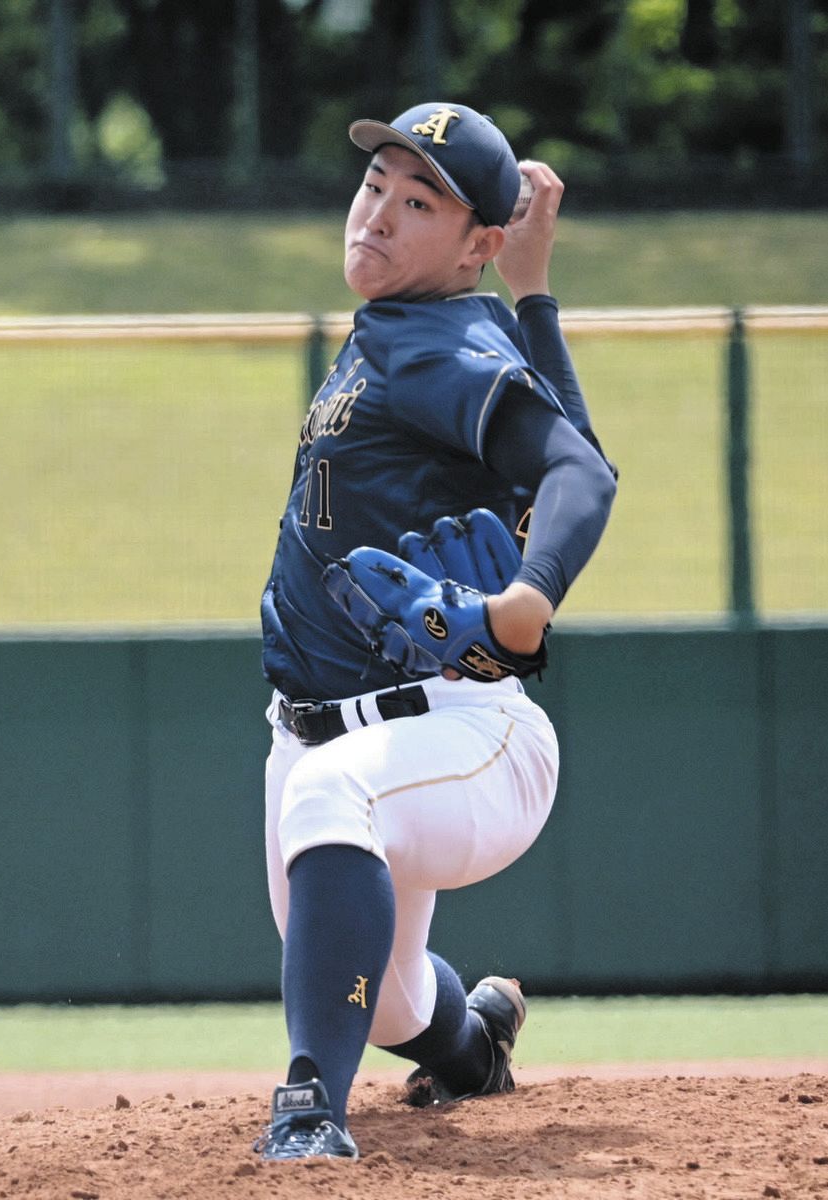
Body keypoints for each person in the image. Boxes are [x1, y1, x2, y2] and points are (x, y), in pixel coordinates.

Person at [254, 101, 617, 1163]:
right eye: (376, 186)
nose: (377, 213)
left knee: (332, 803)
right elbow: (576, 451)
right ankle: (472, 1044)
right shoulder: (404, 326)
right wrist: (532, 292)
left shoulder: (441, 341)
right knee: (386, 995)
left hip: (458, 726)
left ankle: (310, 1111)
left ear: (475, 245)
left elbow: (578, 473)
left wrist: (528, 596)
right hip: (321, 729)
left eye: (419, 204)